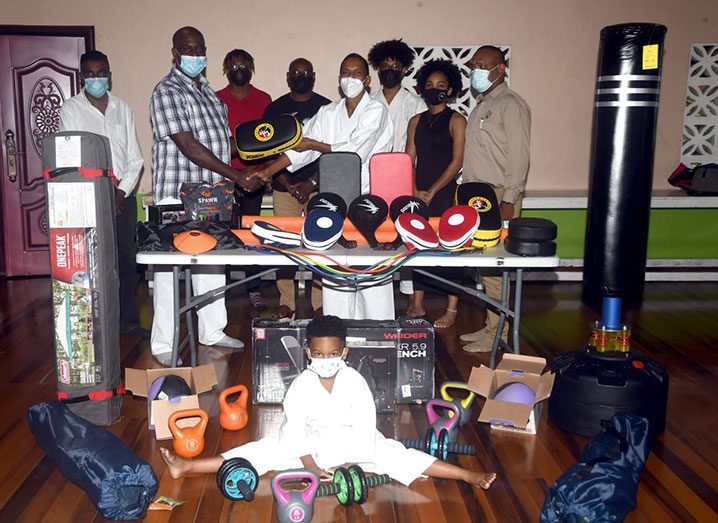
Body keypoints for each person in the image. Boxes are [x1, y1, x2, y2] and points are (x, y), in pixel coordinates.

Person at [160, 315, 496, 489]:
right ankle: (186, 466)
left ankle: (468, 477)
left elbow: (366, 428)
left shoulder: (355, 382)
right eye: (318, 354)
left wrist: (352, 464)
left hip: (353, 443)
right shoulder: (302, 386)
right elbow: (294, 430)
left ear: (344, 353)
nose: (326, 359)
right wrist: (309, 465)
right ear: (307, 353)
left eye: (333, 354)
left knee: (397, 454)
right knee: (259, 452)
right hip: (309, 447)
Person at [149, 26, 264, 364]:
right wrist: (238, 175)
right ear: (175, 52)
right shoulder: (167, 91)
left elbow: (223, 144)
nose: (196, 54)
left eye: (200, 48)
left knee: (212, 263)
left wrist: (261, 164)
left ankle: (212, 330)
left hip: (212, 194)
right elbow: (189, 146)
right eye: (188, 48)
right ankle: (163, 341)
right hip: (177, 192)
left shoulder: (209, 93)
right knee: (170, 269)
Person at [256, 53, 395, 320]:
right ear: (339, 78)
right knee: (335, 265)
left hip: (368, 199)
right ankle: (337, 325)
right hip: (333, 196)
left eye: (356, 73)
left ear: (367, 80)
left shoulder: (376, 110)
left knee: (368, 268)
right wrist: (267, 172)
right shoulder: (328, 112)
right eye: (345, 72)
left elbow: (355, 150)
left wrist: (313, 145)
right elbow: (301, 149)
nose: (350, 77)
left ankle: (377, 329)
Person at [58, 50, 148, 338]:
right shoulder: (71, 110)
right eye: (90, 73)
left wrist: (120, 193)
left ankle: (128, 321)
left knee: (125, 262)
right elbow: (71, 159)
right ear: (82, 76)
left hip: (122, 195)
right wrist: (102, 193)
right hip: (88, 195)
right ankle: (94, 326)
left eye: (101, 73)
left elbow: (135, 159)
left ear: (110, 75)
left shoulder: (123, 108)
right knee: (91, 263)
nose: (96, 78)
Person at [460, 45, 531, 352]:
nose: (475, 71)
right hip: (479, 196)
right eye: (473, 65)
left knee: (497, 264)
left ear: (500, 69)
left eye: (482, 65)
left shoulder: (511, 104)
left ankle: (499, 332)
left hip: (500, 194)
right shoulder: (482, 105)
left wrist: (511, 198)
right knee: (486, 267)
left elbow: (520, 155)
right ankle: (492, 326)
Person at [263, 58, 332, 320]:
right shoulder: (274, 109)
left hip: (319, 186)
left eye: (305, 73)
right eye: (295, 73)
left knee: (320, 244)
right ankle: (287, 302)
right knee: (284, 244)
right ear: (287, 76)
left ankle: (320, 302)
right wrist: (289, 184)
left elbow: (331, 151)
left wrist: (311, 182)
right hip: (284, 188)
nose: (301, 76)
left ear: (313, 76)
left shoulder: (327, 107)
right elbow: (266, 153)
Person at [404, 59, 467, 329]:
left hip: (444, 191)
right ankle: (417, 303)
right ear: (421, 88)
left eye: (440, 85)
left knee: (450, 249)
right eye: (429, 85)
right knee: (420, 246)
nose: (434, 89)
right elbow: (408, 159)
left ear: (450, 89)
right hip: (418, 193)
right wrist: (414, 190)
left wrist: (432, 190)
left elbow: (457, 162)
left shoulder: (457, 120)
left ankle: (451, 309)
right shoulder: (415, 121)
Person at [216, 49, 273, 317]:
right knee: (224, 234)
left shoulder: (263, 99)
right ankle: (222, 287)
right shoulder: (216, 99)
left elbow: (269, 139)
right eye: (234, 65)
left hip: (255, 177)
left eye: (244, 65)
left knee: (252, 234)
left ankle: (254, 289)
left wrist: (263, 172)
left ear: (251, 68)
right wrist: (231, 173)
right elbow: (212, 144)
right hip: (224, 177)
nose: (239, 69)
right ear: (227, 69)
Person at [368, 39, 426, 297]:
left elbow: (423, 147)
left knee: (407, 231)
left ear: (404, 70)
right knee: (376, 230)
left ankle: (411, 295)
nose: (390, 70)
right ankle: (377, 287)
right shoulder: (367, 102)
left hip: (406, 177)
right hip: (373, 177)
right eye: (384, 66)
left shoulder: (416, 104)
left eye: (395, 65)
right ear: (377, 70)